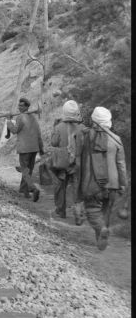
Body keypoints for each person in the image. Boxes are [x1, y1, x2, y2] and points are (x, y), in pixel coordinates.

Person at [77, 106, 127, 251]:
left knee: (92, 211)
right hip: (113, 185)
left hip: (93, 184)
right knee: (105, 212)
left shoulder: (85, 136)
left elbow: (77, 158)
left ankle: (101, 230)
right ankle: (101, 235)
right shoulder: (116, 140)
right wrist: (123, 184)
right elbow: (121, 165)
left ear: (94, 120)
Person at [50, 100, 85, 222]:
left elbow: (53, 143)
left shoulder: (59, 127)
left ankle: (61, 211)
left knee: (60, 186)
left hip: (62, 163)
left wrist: (54, 127)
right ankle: (78, 214)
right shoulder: (82, 128)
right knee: (77, 188)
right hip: (77, 163)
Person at [6, 97, 43, 202]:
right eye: (19, 105)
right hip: (34, 148)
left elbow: (14, 130)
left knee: (25, 170)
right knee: (28, 170)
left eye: (22, 105)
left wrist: (9, 121)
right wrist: (41, 148)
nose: (19, 107)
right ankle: (24, 191)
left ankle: (33, 189)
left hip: (25, 148)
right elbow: (38, 134)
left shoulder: (21, 117)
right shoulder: (33, 117)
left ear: (27, 107)